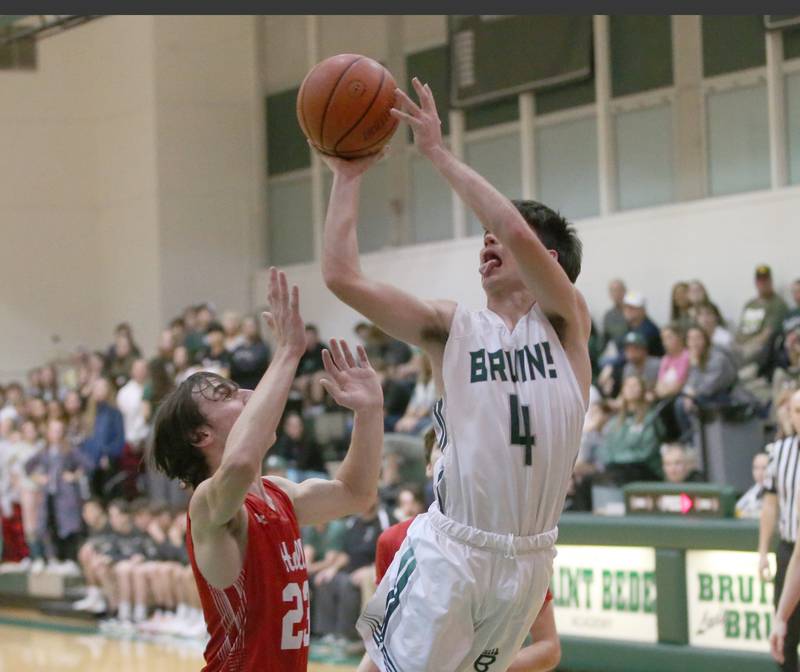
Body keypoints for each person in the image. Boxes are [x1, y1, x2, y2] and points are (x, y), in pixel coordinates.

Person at [319, 77, 589, 672]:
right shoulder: (452, 328)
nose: (490, 237)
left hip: (529, 558)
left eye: (508, 234)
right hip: (454, 548)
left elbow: (516, 229)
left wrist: (438, 153)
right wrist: (347, 177)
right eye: (485, 236)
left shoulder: (566, 325)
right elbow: (342, 277)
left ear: (551, 264)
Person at [149, 268, 385, 671]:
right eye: (226, 394)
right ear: (201, 435)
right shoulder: (208, 504)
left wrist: (369, 412)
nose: (247, 393)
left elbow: (356, 493)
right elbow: (239, 462)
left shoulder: (278, 493)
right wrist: (288, 352)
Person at [759, 389, 800, 671]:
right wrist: (782, 617)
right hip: (789, 548)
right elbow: (770, 505)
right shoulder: (780, 452)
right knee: (785, 645)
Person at [735, 264, 788, 372]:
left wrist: (744, 347)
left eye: (765, 280)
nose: (762, 284)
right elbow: (741, 329)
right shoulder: (750, 304)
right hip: (740, 344)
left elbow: (767, 334)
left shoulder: (778, 304)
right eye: (759, 281)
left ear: (771, 281)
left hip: (759, 346)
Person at [229, 314, 271, 390]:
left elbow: (256, 366)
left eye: (251, 326)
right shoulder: (237, 348)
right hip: (238, 387)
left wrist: (239, 366)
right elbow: (231, 368)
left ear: (257, 328)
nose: (248, 329)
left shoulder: (262, 347)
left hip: (256, 387)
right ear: (242, 328)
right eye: (246, 326)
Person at [654, 325, 690, 400]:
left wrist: (664, 392)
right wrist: (660, 392)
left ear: (680, 337)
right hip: (665, 396)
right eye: (663, 339)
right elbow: (659, 383)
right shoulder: (665, 359)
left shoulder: (687, 356)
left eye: (669, 337)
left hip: (680, 396)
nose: (665, 342)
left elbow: (679, 385)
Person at [735, 452, 768, 519]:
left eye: (764, 468)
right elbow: (737, 509)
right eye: (756, 468)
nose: (760, 473)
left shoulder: (778, 489)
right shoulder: (755, 489)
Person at [602, 279, 628, 350]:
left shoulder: (632, 313)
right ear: (610, 294)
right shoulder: (608, 316)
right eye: (614, 291)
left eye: (619, 290)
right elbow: (604, 339)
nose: (617, 294)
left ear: (625, 292)